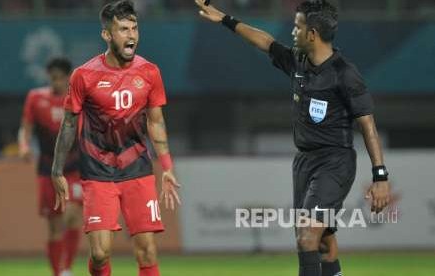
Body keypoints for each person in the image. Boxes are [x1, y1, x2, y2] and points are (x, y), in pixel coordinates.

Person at [194, 0, 391, 275]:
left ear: (312, 33)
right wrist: (226, 20)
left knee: (306, 237)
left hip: (335, 162)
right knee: (322, 241)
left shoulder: (345, 74)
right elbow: (266, 42)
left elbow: (367, 124)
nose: (292, 31)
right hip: (305, 163)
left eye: (297, 26)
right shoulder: (298, 61)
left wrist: (380, 176)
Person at [51, 1, 181, 276]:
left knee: (147, 251)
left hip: (137, 171)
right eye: (123, 29)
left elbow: (156, 122)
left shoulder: (149, 72)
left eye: (134, 28)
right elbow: (69, 124)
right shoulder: (83, 76)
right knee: (99, 254)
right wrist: (57, 169)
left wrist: (167, 166)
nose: (131, 35)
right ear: (107, 35)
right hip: (97, 173)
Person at [19, 58, 82, 276]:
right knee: (54, 226)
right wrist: (24, 146)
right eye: (52, 78)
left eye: (60, 78)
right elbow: (25, 128)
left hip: (73, 167)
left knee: (73, 214)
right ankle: (58, 272)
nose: (55, 82)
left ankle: (67, 269)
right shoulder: (36, 98)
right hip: (47, 169)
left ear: (68, 77)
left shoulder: (77, 99)